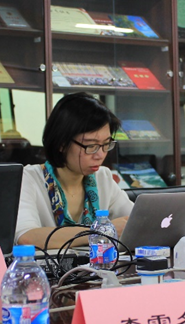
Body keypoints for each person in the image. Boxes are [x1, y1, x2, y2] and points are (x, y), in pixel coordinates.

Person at [15, 92, 133, 249]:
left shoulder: (102, 177)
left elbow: (136, 220)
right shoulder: (28, 179)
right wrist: (102, 232)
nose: (100, 155)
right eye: (91, 146)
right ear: (62, 144)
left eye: (106, 144)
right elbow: (26, 237)